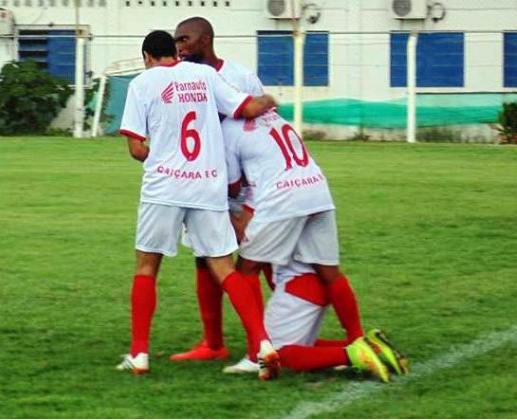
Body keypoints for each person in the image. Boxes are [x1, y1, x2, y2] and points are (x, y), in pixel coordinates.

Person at [115, 29, 281, 381]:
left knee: (146, 267)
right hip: (207, 185)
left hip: (164, 187)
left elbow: (136, 148)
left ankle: (139, 354)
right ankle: (263, 344)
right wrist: (268, 98)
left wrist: (162, 158)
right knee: (224, 267)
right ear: (175, 53)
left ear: (147, 57)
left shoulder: (142, 84)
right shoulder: (204, 75)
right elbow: (248, 107)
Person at [220, 110, 409, 382]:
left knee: (247, 275)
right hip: (315, 187)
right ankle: (359, 340)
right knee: (330, 272)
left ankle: (256, 353)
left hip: (284, 201)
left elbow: (233, 186)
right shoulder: (270, 116)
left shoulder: (228, 128)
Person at [170, 16, 270, 363]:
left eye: (184, 39)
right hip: (204, 185)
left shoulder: (240, 76)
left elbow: (265, 127)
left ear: (205, 39)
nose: (179, 47)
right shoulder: (180, 79)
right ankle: (213, 343)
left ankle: (267, 342)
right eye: (176, 41)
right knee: (205, 259)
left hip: (246, 187)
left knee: (258, 261)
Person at [226, 258, 409, 379]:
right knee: (300, 345)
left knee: (274, 355)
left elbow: (251, 261)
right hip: (315, 279)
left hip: (297, 283)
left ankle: (353, 354)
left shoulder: (269, 210)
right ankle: (369, 346)